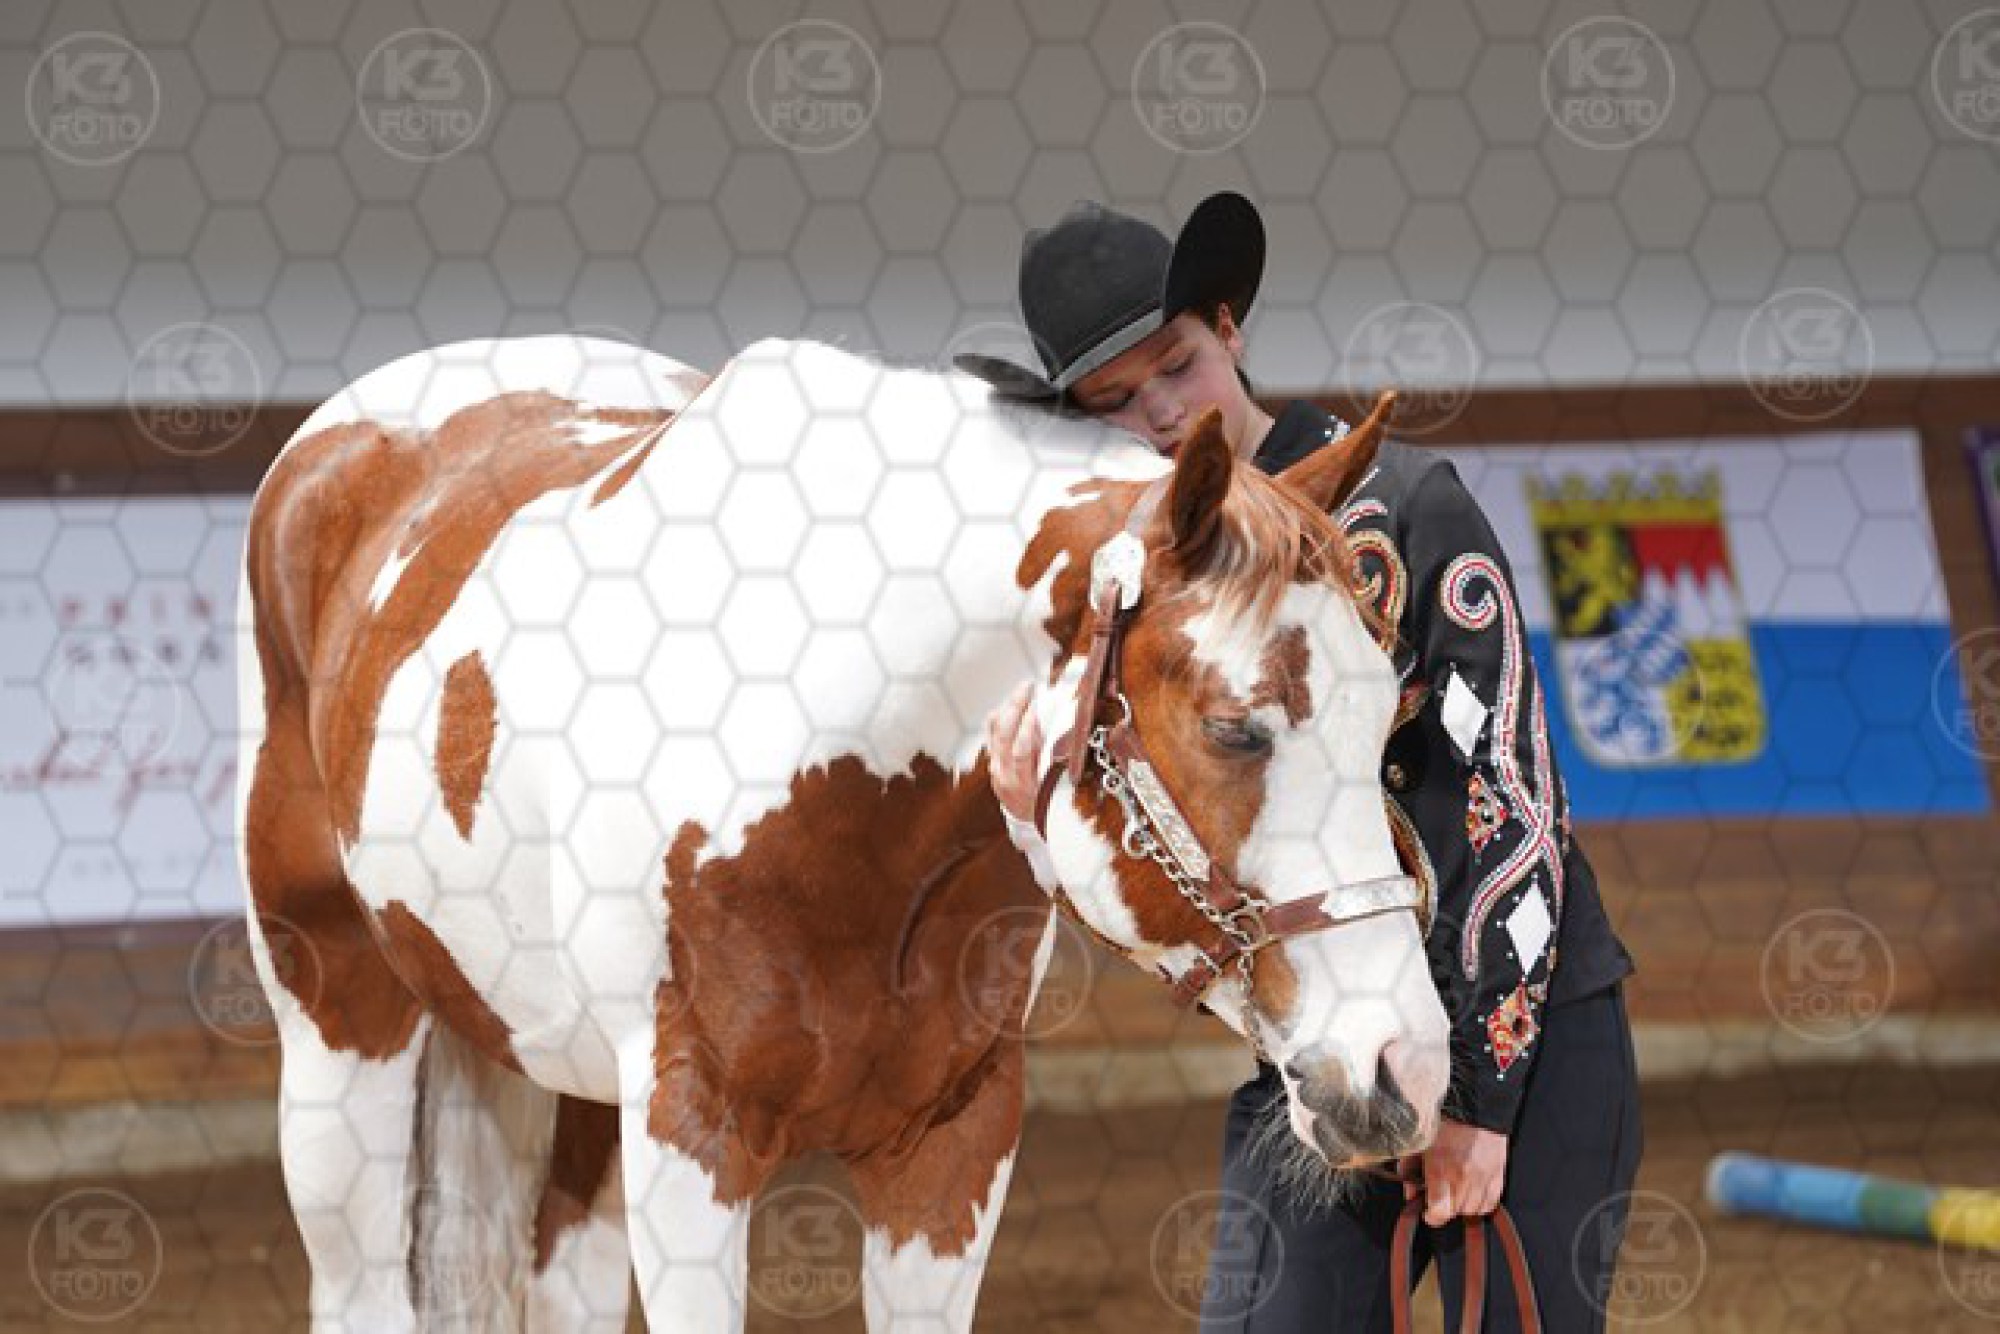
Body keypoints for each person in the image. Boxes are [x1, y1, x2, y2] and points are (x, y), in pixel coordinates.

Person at [955, 192, 1643, 1332]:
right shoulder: (1143, 591)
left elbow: (1512, 798)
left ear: (1228, 327)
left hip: (1524, 1030)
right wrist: (1038, 822)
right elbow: (1194, 884)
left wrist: (1483, 1102)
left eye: (1176, 364)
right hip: (1326, 1030)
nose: (1160, 412)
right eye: (1112, 401)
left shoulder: (1406, 506)